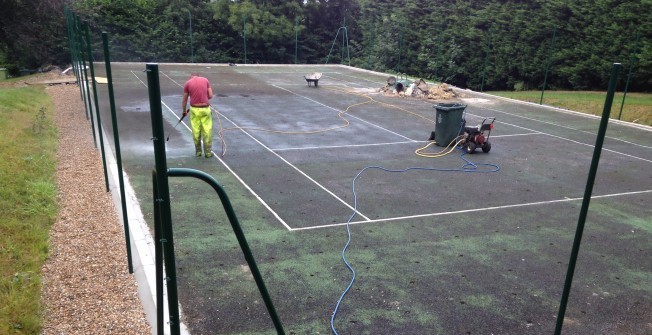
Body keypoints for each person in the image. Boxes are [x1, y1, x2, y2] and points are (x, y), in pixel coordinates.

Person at [181, 73, 214, 157]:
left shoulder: (187, 83)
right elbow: (210, 96)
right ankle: (208, 153)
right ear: (198, 76)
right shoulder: (205, 80)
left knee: (196, 131)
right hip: (205, 109)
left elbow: (184, 100)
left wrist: (184, 111)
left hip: (194, 109)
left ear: (191, 76)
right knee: (207, 131)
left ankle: (198, 151)